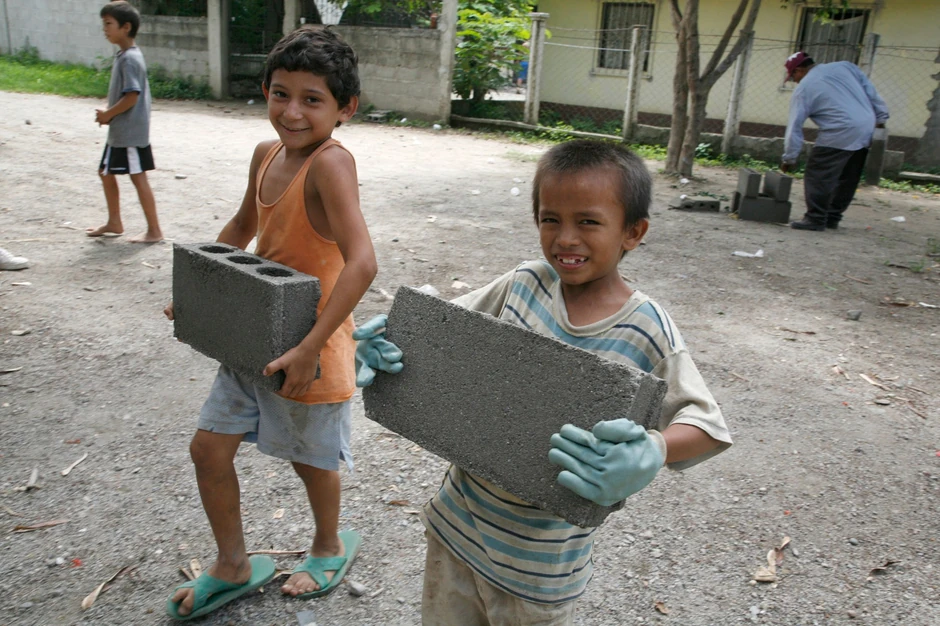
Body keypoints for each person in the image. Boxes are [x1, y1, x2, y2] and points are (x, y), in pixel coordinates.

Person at [355, 140, 733, 625]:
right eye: (550, 219)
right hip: (456, 525)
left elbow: (708, 425)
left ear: (633, 232)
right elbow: (440, 330)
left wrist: (656, 448)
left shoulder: (648, 327)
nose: (565, 238)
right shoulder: (523, 283)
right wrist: (388, 338)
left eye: (588, 222)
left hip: (538, 571)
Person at [163, 26, 376, 620]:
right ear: (264, 91)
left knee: (312, 461)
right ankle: (232, 562)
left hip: (311, 348)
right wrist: (199, 292)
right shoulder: (266, 154)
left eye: (313, 99)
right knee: (208, 451)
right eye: (280, 94)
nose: (292, 111)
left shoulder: (333, 165)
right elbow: (239, 229)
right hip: (251, 334)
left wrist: (310, 345)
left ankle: (329, 545)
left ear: (345, 108)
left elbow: (363, 262)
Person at [781, 51, 889, 231]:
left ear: (799, 70)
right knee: (849, 175)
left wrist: (789, 158)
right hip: (867, 125)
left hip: (839, 130)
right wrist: (881, 118)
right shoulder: (845, 67)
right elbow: (871, 92)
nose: (795, 81)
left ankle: (815, 218)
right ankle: (832, 217)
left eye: (793, 77)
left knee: (819, 174)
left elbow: (794, 126)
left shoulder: (804, 88)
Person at [88, 1, 163, 243]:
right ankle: (114, 221)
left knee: (137, 176)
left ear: (126, 27)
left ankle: (154, 231)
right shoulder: (125, 55)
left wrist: (109, 114)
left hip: (129, 133)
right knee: (105, 172)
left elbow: (132, 95)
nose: (105, 29)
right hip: (123, 131)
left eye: (109, 24)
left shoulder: (130, 58)